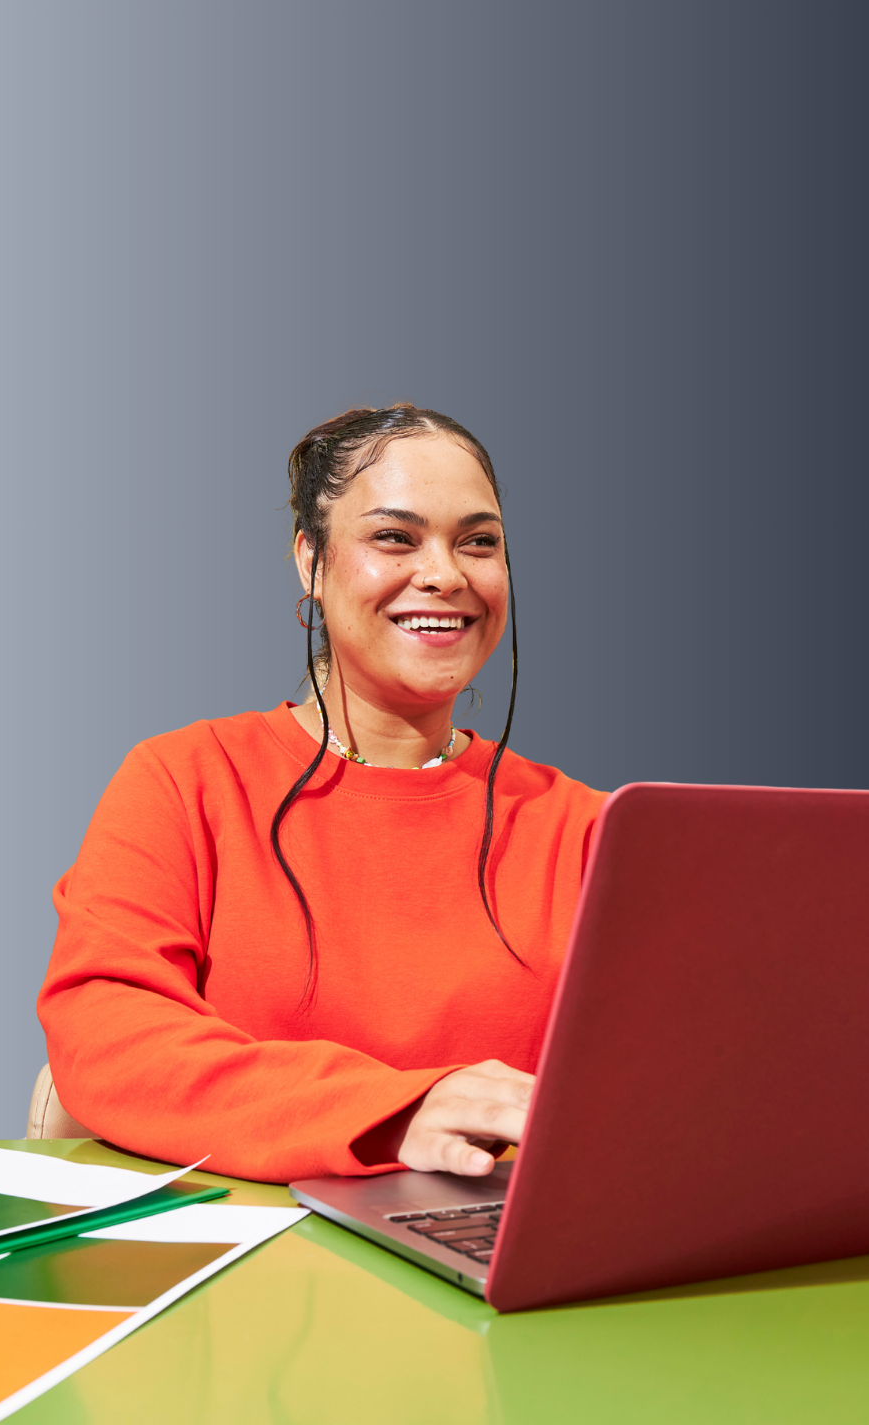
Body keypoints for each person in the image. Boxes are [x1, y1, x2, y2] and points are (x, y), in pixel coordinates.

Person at [38, 405, 607, 1182]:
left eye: (479, 542)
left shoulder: (588, 828)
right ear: (311, 560)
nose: (445, 574)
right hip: (251, 1241)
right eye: (395, 537)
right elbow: (107, 1036)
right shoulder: (185, 780)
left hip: (504, 1244)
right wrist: (394, 1110)